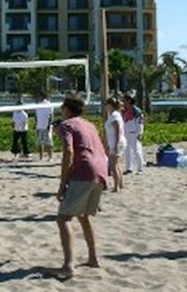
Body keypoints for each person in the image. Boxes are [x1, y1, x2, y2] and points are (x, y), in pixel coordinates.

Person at [55, 94, 108, 279]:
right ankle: (93, 258)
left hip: (85, 170)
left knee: (63, 218)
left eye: (63, 107)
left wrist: (63, 183)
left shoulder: (66, 125)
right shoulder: (89, 124)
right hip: (101, 170)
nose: (61, 110)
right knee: (83, 216)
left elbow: (68, 152)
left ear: (67, 109)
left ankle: (68, 265)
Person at [104, 97, 126, 192]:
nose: (105, 107)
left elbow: (117, 131)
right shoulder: (115, 115)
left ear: (110, 105)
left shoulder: (114, 116)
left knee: (113, 166)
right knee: (117, 164)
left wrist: (116, 144)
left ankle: (116, 186)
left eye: (106, 105)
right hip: (116, 141)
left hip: (115, 142)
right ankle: (120, 184)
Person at [122, 93, 145, 174]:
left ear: (129, 100)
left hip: (134, 133)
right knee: (127, 151)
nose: (123, 102)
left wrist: (140, 133)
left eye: (124, 100)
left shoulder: (137, 111)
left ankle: (140, 168)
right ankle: (129, 168)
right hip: (126, 133)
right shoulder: (124, 110)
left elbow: (140, 122)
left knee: (137, 151)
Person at [35, 93, 54, 161]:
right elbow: (36, 116)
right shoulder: (38, 105)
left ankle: (50, 157)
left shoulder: (48, 104)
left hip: (46, 126)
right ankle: (41, 157)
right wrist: (36, 125)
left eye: (39, 96)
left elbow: (50, 116)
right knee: (40, 143)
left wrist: (49, 125)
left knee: (48, 142)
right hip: (39, 126)